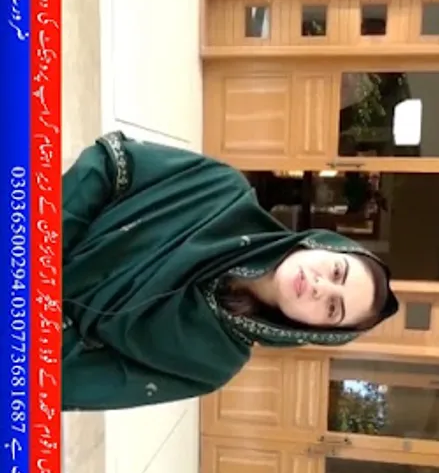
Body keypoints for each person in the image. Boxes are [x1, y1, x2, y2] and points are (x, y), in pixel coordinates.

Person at [62, 131, 399, 411]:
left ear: (316, 331)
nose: (320, 287)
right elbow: (112, 164)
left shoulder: (212, 364)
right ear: (322, 245)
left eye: (332, 308)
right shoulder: (221, 190)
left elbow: (75, 380)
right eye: (337, 272)